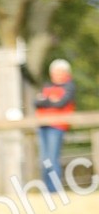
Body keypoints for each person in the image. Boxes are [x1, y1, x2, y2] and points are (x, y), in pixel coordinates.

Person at [34, 59, 76, 188]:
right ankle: (47, 189)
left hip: (57, 126)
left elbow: (60, 103)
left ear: (66, 73)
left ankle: (54, 190)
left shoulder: (69, 86)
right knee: (44, 160)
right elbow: (36, 102)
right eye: (54, 72)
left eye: (59, 72)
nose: (56, 75)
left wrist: (46, 100)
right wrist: (50, 100)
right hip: (43, 125)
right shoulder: (47, 85)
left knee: (52, 159)